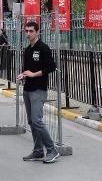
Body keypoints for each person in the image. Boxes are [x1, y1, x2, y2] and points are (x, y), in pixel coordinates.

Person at [19, 21, 59, 164]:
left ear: (37, 32)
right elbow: (27, 69)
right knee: (31, 122)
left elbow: (51, 67)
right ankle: (37, 151)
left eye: (31, 31)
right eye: (27, 31)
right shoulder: (28, 49)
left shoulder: (43, 48)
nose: (28, 34)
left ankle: (52, 150)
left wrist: (34, 74)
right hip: (27, 89)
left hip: (38, 89)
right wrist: (23, 75)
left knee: (37, 120)